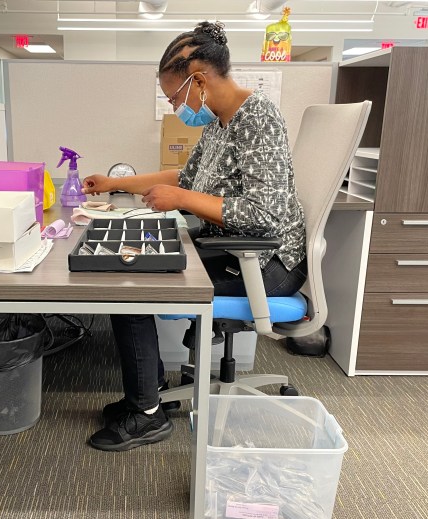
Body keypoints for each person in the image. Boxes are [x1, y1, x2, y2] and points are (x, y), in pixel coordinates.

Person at [81, 21, 307, 452]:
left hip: (266, 263)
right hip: (233, 247)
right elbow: (185, 176)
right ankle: (144, 398)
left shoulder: (258, 118)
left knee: (132, 286)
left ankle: (147, 414)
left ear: (198, 81)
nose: (175, 108)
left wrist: (182, 197)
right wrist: (117, 185)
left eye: (174, 97)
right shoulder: (221, 121)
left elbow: (265, 215)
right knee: (129, 269)